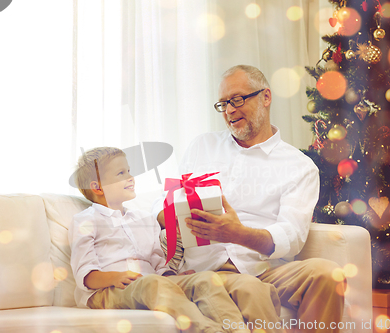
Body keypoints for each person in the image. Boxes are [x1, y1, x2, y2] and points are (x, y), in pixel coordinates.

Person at [154, 65, 345, 333]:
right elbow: (159, 207)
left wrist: (238, 234)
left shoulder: (298, 166)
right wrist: (174, 215)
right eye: (223, 104)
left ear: (265, 97)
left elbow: (291, 236)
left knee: (327, 274)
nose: (230, 111)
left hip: (263, 269)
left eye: (237, 99)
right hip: (206, 272)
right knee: (250, 289)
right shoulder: (202, 146)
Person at [69, 146, 259, 333]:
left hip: (150, 282)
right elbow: (84, 273)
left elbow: (157, 260)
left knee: (205, 279)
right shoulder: (86, 220)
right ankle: (208, 330)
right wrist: (116, 277)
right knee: (152, 283)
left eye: (129, 171)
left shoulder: (144, 219)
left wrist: (171, 277)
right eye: (121, 173)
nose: (130, 177)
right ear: (98, 187)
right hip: (106, 291)